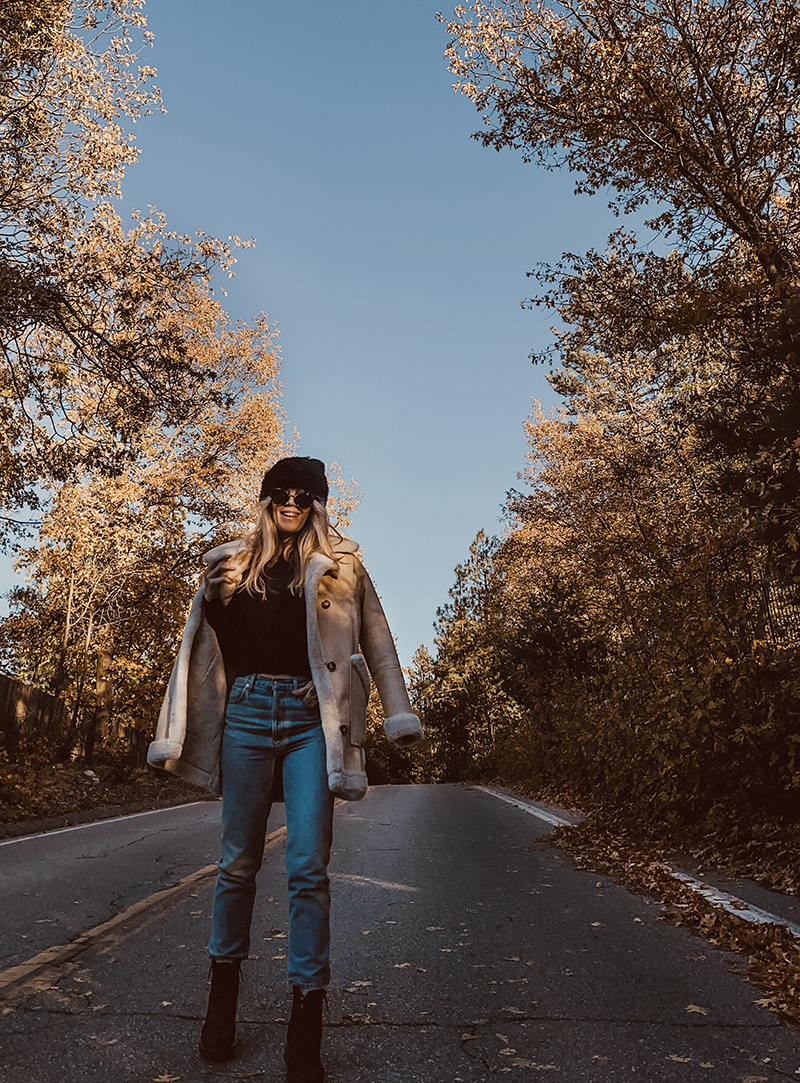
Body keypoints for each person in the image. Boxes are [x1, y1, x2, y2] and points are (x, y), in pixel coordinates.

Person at [147, 456, 423, 1082]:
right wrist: (175, 730)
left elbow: (377, 640)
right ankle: (221, 1005)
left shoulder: (345, 566)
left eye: (304, 495)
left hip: (310, 722)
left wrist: (397, 711)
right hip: (245, 714)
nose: (291, 503)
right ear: (266, 499)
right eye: (280, 493)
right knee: (237, 862)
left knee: (307, 868)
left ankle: (306, 1022)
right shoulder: (232, 565)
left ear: (319, 502)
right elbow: (201, 644)